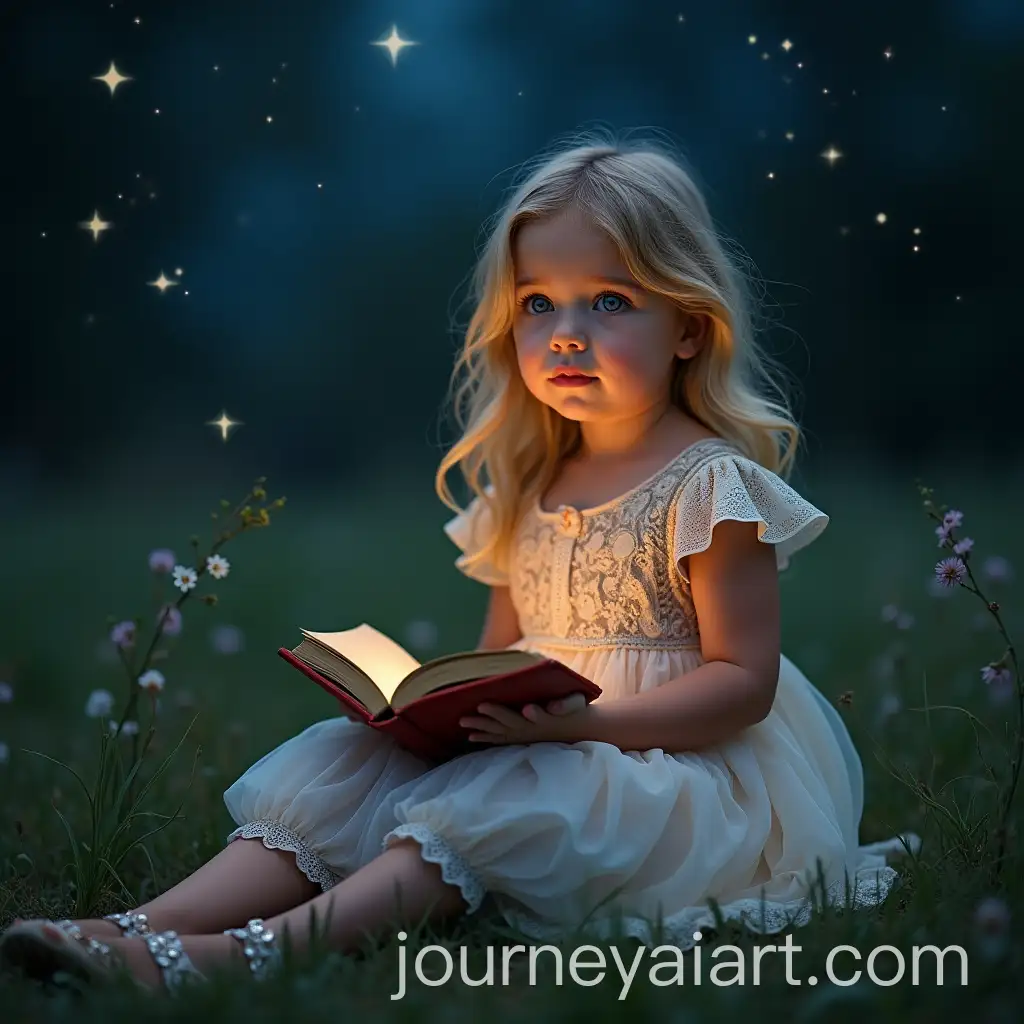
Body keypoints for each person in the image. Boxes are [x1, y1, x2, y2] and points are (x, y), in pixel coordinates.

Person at [0, 129, 914, 992]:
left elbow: (742, 684)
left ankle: (237, 958)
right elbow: (501, 659)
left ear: (687, 326)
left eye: (609, 301)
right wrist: (424, 717)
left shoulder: (708, 486)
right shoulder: (529, 483)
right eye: (537, 304)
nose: (566, 333)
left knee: (501, 802)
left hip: (669, 772)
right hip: (539, 740)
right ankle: (136, 926)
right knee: (342, 762)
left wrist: (576, 732)